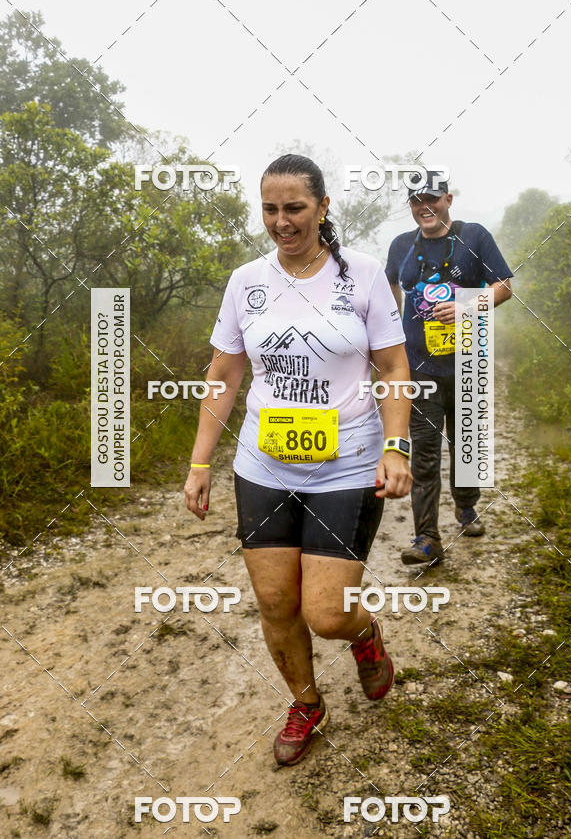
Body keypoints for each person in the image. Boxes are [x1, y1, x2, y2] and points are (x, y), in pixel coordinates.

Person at [185, 154, 412, 766]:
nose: (281, 221)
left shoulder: (361, 275)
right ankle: (306, 701)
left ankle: (364, 636)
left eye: (294, 208)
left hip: (347, 459)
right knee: (276, 602)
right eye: (270, 208)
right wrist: (200, 461)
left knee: (325, 613)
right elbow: (224, 372)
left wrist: (396, 446)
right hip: (264, 463)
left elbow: (392, 367)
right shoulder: (246, 281)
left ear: (322, 207)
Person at [385, 171, 513, 566]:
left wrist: (465, 307)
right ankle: (427, 538)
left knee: (467, 445)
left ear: (448, 200)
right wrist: (390, 337)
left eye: (432, 199)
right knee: (424, 452)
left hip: (468, 361)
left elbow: (505, 285)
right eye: (415, 201)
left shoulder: (473, 236)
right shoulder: (401, 245)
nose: (424, 206)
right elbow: (389, 289)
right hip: (419, 366)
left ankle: (467, 506)